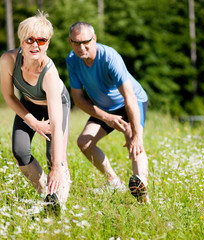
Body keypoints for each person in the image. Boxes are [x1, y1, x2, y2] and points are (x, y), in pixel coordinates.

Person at [66, 21, 149, 203]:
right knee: (84, 143)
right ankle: (114, 183)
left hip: (131, 102)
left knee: (133, 138)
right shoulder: (72, 60)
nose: (81, 47)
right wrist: (106, 117)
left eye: (86, 42)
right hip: (105, 109)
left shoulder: (110, 57)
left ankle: (142, 194)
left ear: (94, 39)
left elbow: (130, 97)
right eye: (76, 43)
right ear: (70, 42)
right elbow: (78, 99)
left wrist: (137, 134)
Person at [0, 11, 71, 211]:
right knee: (20, 152)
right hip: (28, 104)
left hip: (56, 106)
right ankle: (46, 195)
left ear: (48, 43)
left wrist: (56, 166)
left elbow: (56, 124)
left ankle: (58, 204)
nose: (35, 45)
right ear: (21, 40)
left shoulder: (50, 74)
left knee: (54, 156)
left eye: (41, 40)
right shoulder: (8, 60)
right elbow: (9, 96)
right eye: (29, 39)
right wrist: (33, 122)